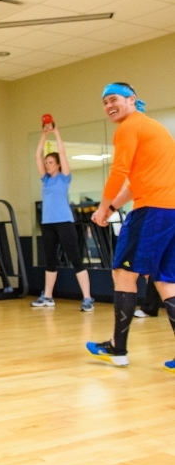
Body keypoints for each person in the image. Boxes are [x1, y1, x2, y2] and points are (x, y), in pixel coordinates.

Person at [86, 83, 175, 369]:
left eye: (113, 100)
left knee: (124, 273)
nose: (108, 106)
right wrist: (111, 207)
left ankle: (117, 348)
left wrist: (101, 208)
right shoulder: (151, 127)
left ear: (132, 100)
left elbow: (119, 172)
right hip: (170, 210)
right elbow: (134, 183)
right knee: (165, 280)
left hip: (152, 211)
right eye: (104, 102)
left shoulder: (128, 127)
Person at [31, 124, 93, 311]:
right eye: (47, 163)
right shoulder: (46, 179)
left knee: (75, 259)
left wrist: (56, 133)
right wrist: (44, 135)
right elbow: (37, 156)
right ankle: (48, 297)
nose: (47, 165)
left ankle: (88, 298)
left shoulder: (64, 177)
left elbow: (63, 153)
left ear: (58, 164)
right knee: (50, 261)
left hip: (64, 222)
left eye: (51, 162)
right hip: (48, 224)